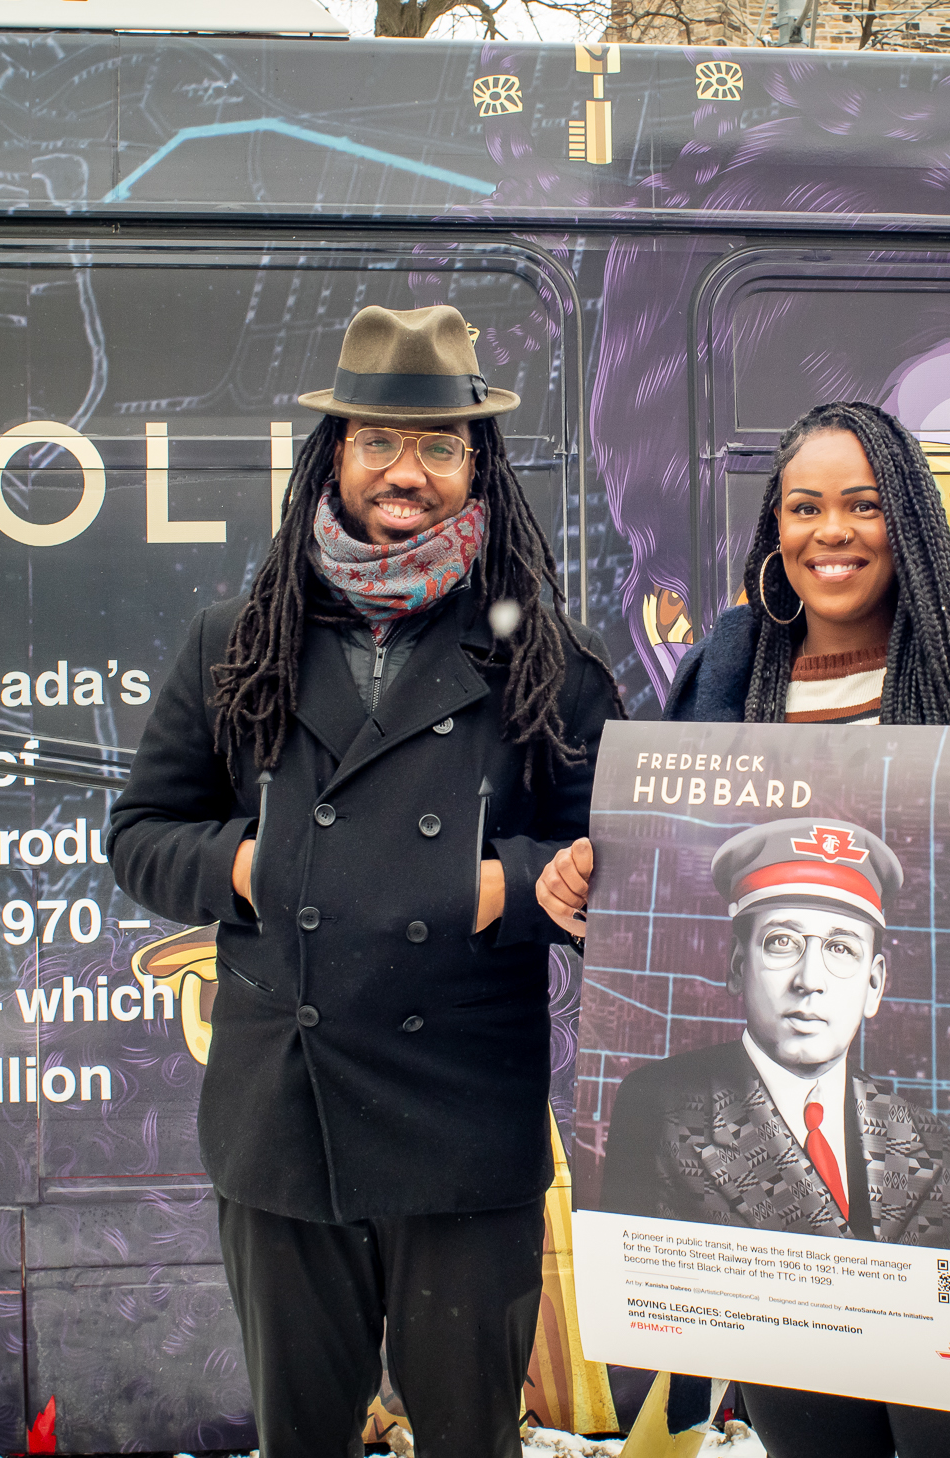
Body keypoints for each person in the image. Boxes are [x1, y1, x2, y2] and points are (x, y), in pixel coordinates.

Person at [539, 400, 950, 1458]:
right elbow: (664, 891)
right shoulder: (726, 667)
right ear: (775, 529)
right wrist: (586, 890)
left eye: (862, 505)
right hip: (769, 1231)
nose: (829, 532)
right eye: (803, 508)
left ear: (911, 524)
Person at [108, 303, 622, 1458]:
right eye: (380, 441)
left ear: (475, 466)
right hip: (284, 1118)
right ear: (332, 456)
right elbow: (140, 832)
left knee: (469, 1442)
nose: (409, 472)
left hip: (464, 1122)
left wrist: (503, 883)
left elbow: (624, 875)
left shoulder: (549, 658)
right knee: (303, 1442)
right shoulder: (235, 641)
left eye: (440, 446)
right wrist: (248, 864)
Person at [597, 819, 950, 1251]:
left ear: (873, 986)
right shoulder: (660, 1107)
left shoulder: (930, 1141)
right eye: (783, 942)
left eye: (841, 948)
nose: (809, 979)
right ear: (737, 966)